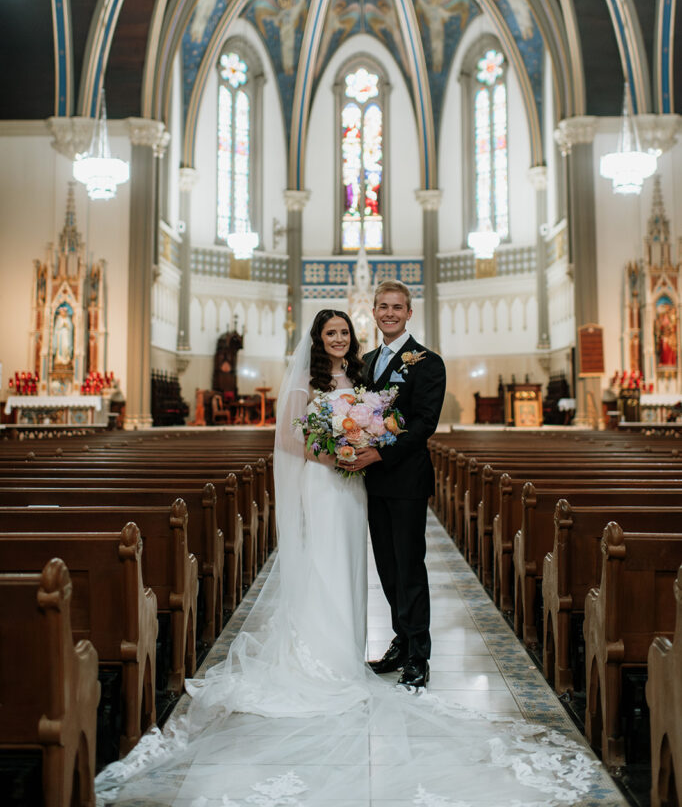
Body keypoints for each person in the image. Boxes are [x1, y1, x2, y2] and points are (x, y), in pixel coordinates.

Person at [95, 310, 597, 807]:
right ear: (318, 338)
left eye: (344, 333)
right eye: (331, 333)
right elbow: (293, 438)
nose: (339, 339)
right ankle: (325, 658)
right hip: (327, 479)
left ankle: (360, 651)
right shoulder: (309, 379)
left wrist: (359, 443)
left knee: (355, 566)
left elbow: (386, 421)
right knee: (325, 564)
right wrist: (335, 454)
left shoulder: (362, 373)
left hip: (355, 484)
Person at [354, 281, 446, 689]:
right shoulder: (367, 360)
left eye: (397, 307)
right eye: (382, 307)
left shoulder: (428, 362)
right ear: (373, 313)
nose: (389, 313)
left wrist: (380, 454)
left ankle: (419, 656)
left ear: (410, 313)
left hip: (405, 479)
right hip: (372, 482)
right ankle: (401, 639)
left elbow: (425, 423)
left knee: (409, 567)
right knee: (387, 568)